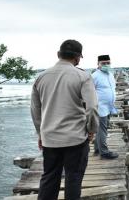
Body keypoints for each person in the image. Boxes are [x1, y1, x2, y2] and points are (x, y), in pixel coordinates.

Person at [30, 39, 99, 200]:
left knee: (49, 178)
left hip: (50, 139)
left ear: (58, 54)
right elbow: (92, 108)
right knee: (73, 179)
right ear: (78, 58)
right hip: (75, 139)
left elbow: (35, 110)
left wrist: (41, 133)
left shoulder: (41, 78)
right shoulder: (83, 76)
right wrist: (91, 130)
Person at [92, 54, 119, 159]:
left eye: (108, 63)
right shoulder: (94, 76)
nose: (106, 65)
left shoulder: (110, 74)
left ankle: (97, 149)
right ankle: (104, 152)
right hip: (100, 107)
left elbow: (112, 89)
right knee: (102, 129)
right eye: (104, 63)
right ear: (98, 64)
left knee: (102, 128)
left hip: (109, 107)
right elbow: (89, 92)